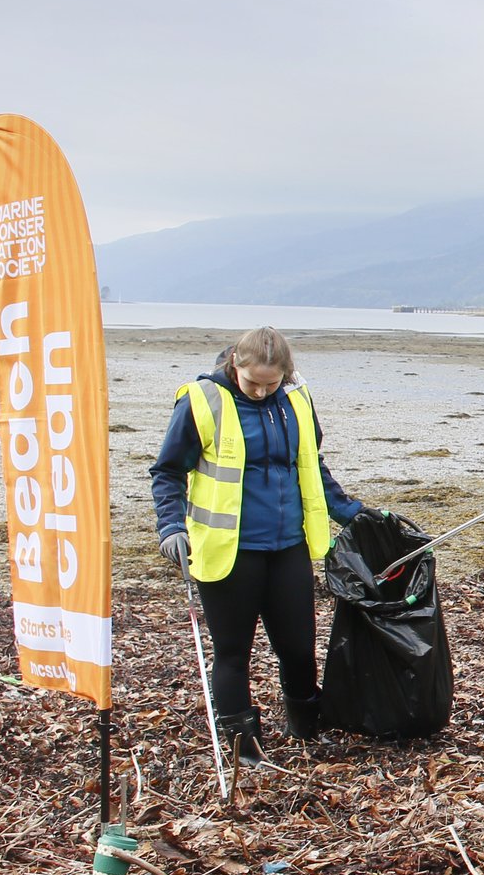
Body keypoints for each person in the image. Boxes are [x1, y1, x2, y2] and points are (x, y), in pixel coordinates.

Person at [150, 326, 363, 763]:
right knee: (232, 652)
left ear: (287, 374)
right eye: (253, 384)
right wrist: (171, 527)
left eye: (272, 384)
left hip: (288, 546)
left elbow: (311, 466)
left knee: (299, 648)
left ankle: (306, 727)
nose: (263, 393)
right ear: (235, 366)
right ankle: (243, 746)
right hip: (229, 550)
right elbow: (167, 471)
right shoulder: (202, 401)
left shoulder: (297, 400)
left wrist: (354, 513)